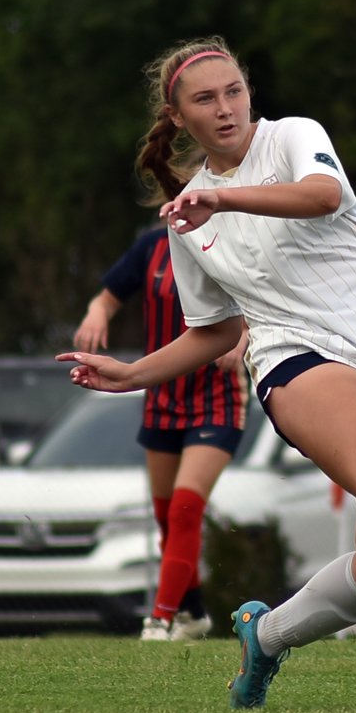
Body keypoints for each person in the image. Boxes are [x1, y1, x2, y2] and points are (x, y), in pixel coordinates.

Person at [59, 37, 356, 708]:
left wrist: (228, 200)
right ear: (178, 117)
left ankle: (264, 636)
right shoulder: (190, 215)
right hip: (293, 353)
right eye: (205, 99)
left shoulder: (295, 136)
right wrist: (131, 374)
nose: (225, 107)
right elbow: (214, 331)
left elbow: (323, 194)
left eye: (233, 90)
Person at [73, 227, 250, 642]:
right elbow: (108, 295)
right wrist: (97, 312)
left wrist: (241, 342)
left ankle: (159, 619)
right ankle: (193, 611)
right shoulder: (151, 247)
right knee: (167, 519)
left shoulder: (234, 239)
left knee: (186, 509)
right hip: (162, 399)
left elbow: (262, 307)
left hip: (217, 401)